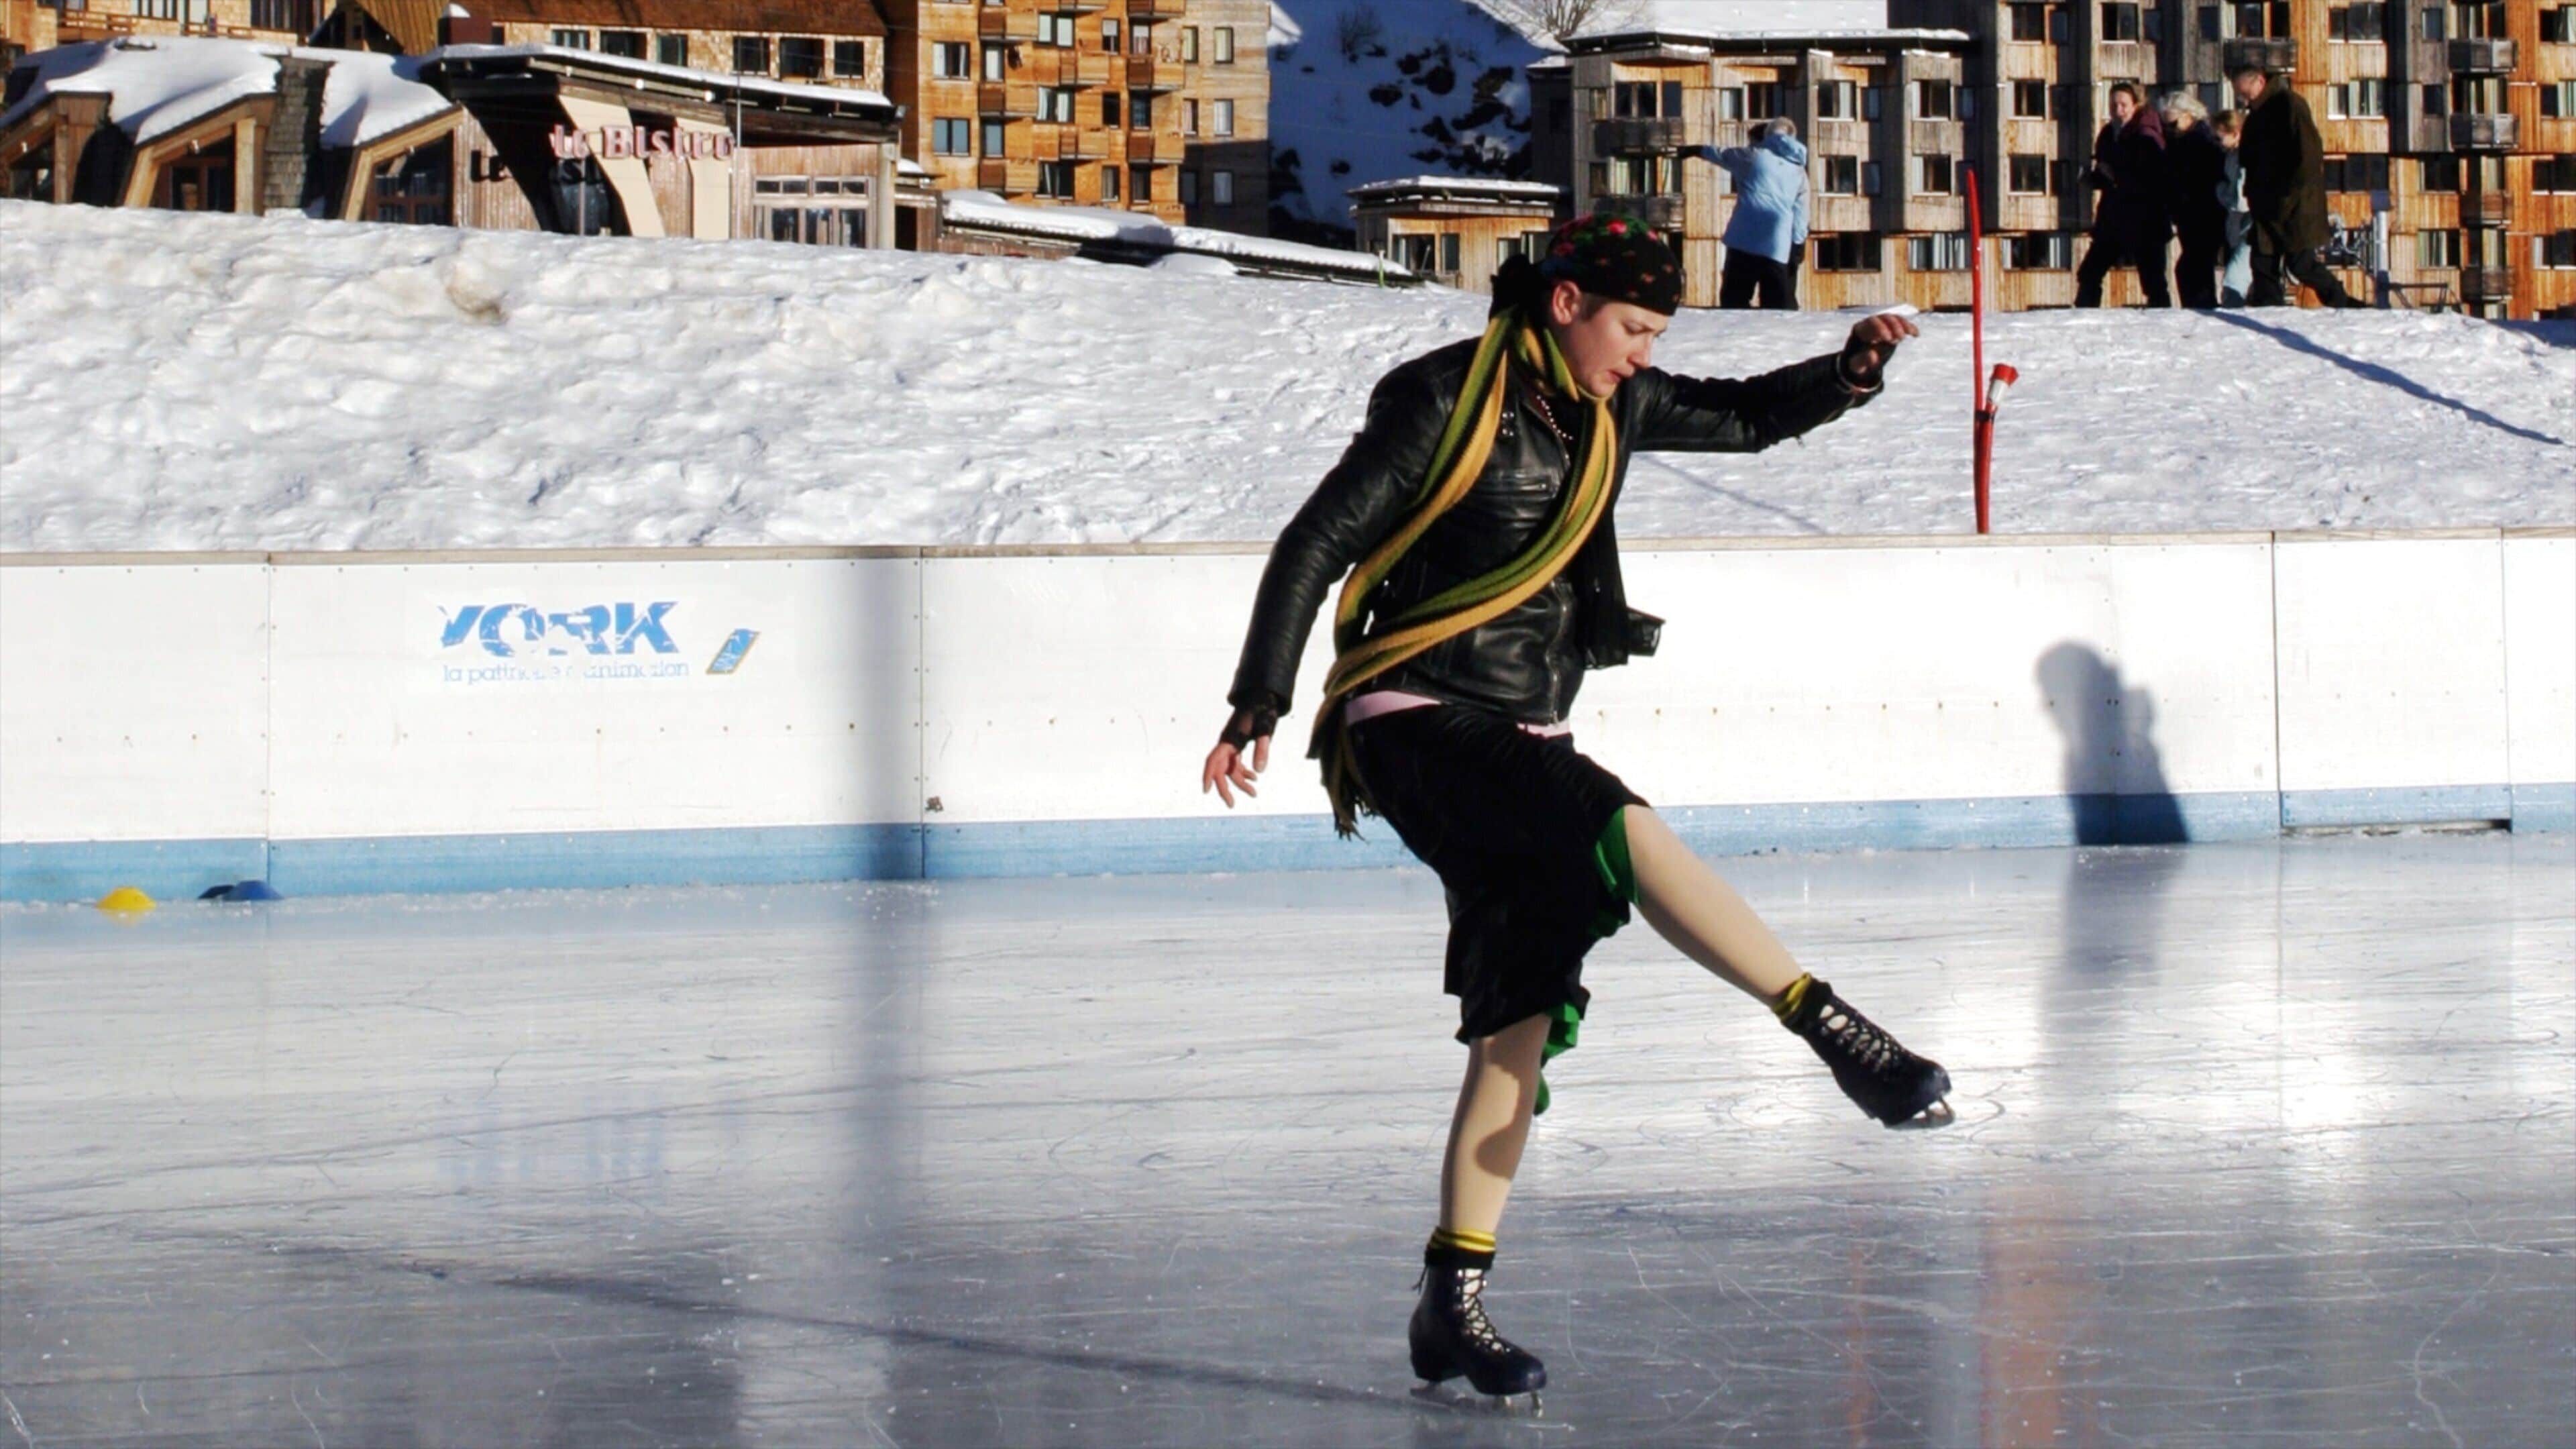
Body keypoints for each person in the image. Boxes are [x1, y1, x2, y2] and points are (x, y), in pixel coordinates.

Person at [1199, 213, 1953, 1405]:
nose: (1645, 354)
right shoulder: (1441, 399)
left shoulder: (1613, 407)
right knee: (1612, 819)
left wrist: (1850, 373)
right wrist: (1260, 697)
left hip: (1524, 727)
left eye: (1657, 335)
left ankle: (1450, 1302)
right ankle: (1828, 1025)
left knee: (1524, 1005)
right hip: (1412, 714)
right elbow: (1316, 540)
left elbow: (1748, 418)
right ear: (1566, 305)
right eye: (1634, 328)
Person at [2232, 61, 2367, 308]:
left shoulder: (2289, 105)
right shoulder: (2257, 115)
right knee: (2263, 261)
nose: (2243, 99)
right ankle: (2269, 307)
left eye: (2244, 92)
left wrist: (2290, 194)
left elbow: (2309, 155)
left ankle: (2341, 302)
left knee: (2300, 262)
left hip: (2293, 204)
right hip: (2266, 204)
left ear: (2260, 81)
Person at [2074, 82, 2173, 307]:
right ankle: (2083, 317)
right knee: (2090, 273)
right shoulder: (2109, 133)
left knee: (2153, 280)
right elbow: (2106, 172)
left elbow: (2153, 177)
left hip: (2145, 217)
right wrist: (2093, 178)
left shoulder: (2147, 134)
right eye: (2113, 105)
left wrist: (2116, 176)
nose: (2118, 110)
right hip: (2114, 215)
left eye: (2123, 105)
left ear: (2136, 105)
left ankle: (2164, 320)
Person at [1694, 119, 1809, 310]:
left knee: (1734, 302)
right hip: (1777, 245)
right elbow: (1801, 212)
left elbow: (1722, 154)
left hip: (1743, 241)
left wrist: (1696, 150)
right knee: (1778, 307)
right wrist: (1798, 243)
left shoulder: (1753, 156)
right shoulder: (1799, 171)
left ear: (1765, 137)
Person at [2161, 92, 2230, 308]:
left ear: (2188, 115)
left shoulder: (2203, 140)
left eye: (2173, 123)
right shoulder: (2178, 141)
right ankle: (2199, 308)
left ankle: (2203, 309)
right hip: (2187, 214)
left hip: (2205, 213)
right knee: (2194, 268)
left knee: (2193, 267)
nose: (2169, 129)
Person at [2212, 110, 2254, 306]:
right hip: (2237, 229)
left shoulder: (2243, 158)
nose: (2218, 143)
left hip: (2249, 228)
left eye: (2221, 137)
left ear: (2235, 134)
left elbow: (2240, 201)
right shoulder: (2230, 156)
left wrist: (2220, 191)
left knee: (2234, 281)